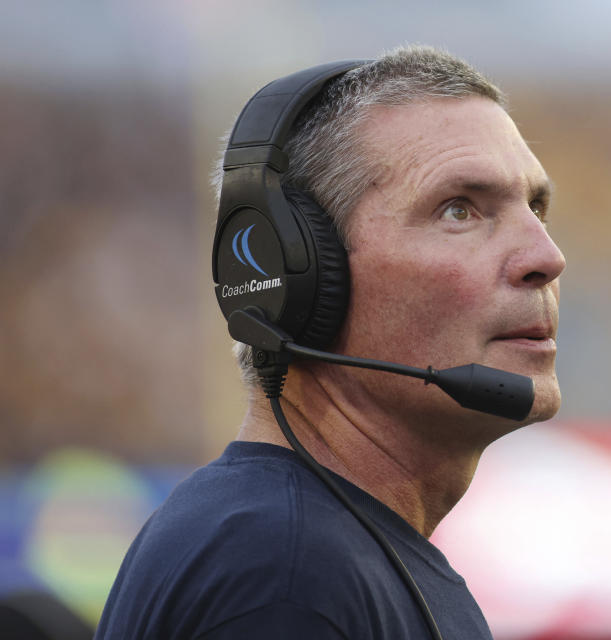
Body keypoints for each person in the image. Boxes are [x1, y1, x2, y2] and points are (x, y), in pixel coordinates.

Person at [95, 45, 565, 639]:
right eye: (458, 210)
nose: (546, 257)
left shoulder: (323, 553)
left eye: (537, 208)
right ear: (300, 276)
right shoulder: (283, 573)